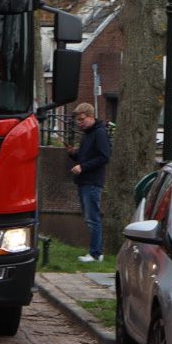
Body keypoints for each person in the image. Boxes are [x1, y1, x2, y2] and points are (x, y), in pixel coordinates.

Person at [65, 103, 110, 263]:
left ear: (91, 116)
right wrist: (74, 154)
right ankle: (95, 252)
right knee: (90, 218)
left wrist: (82, 167)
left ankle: (96, 253)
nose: (80, 123)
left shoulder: (99, 133)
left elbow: (104, 157)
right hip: (85, 181)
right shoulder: (88, 134)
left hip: (92, 181)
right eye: (78, 120)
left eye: (82, 119)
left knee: (93, 218)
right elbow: (88, 155)